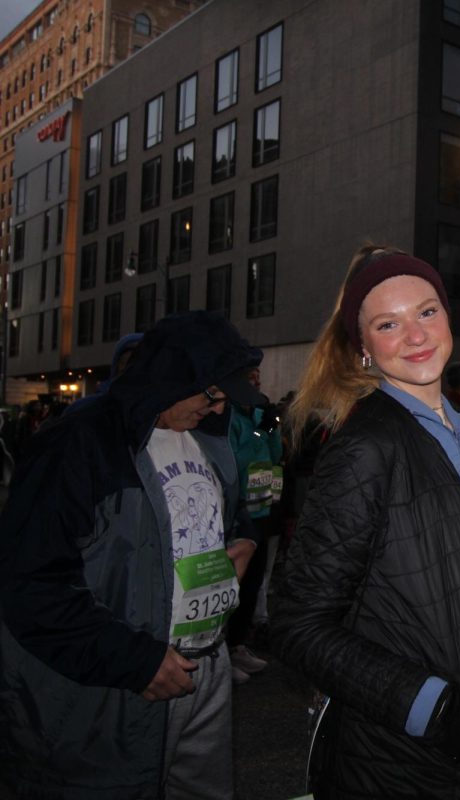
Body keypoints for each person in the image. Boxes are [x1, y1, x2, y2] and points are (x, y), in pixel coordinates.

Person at [272, 246, 460, 798]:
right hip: (408, 748)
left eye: (426, 312)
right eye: (388, 324)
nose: (415, 335)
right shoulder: (366, 447)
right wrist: (423, 702)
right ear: (363, 349)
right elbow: (298, 623)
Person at [0, 311, 265, 798]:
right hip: (117, 690)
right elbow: (29, 584)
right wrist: (133, 661)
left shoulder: (207, 434)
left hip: (205, 673)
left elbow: (227, 509)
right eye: (211, 392)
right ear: (171, 376)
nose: (219, 405)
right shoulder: (78, 442)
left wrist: (244, 538)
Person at [226, 365, 284, 681]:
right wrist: (259, 430)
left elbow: (275, 456)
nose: (256, 379)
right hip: (239, 513)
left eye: (258, 374)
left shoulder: (257, 417)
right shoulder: (231, 416)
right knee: (236, 583)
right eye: (250, 374)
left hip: (262, 509)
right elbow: (235, 459)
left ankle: (237, 645)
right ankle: (225, 648)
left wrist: (271, 429)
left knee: (252, 584)